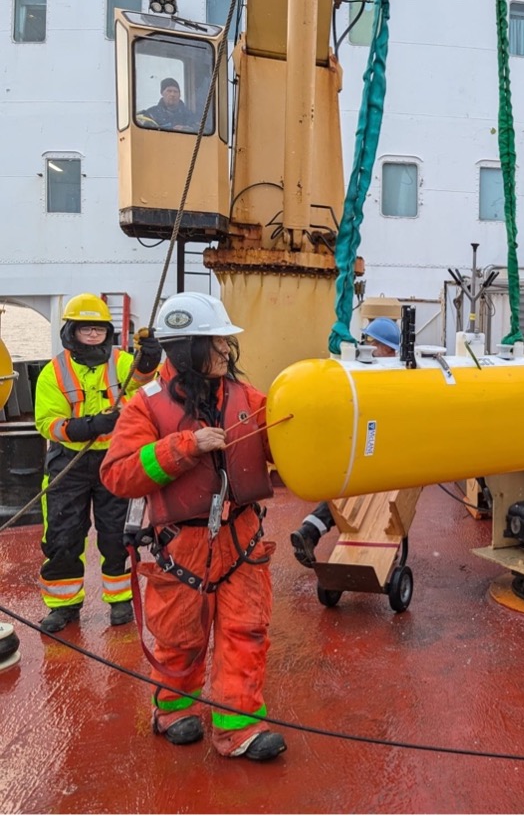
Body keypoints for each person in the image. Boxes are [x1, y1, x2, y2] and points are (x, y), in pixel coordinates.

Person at [100, 292, 286, 762]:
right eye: (217, 342)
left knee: (245, 631)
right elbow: (117, 472)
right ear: (185, 350)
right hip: (180, 545)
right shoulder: (144, 406)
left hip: (241, 540)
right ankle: (173, 711)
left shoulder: (248, 398)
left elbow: (286, 436)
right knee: (180, 637)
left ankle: (239, 729)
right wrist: (185, 447)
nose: (227, 351)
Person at [34, 293, 162, 633]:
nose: (93, 336)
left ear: (108, 332)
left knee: (116, 534)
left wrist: (149, 358)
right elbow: (49, 424)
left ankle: (120, 601)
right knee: (63, 535)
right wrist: (92, 425)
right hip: (69, 464)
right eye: (86, 330)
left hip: (115, 460)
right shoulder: (53, 373)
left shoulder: (121, 361)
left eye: (99, 330)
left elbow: (146, 380)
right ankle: (63, 606)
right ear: (71, 332)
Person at [289, 316, 400, 567]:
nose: (367, 346)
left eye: (371, 342)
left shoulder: (362, 370)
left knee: (343, 494)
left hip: (354, 447)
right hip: (374, 451)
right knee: (372, 498)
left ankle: (311, 530)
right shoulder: (383, 374)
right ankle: (379, 551)